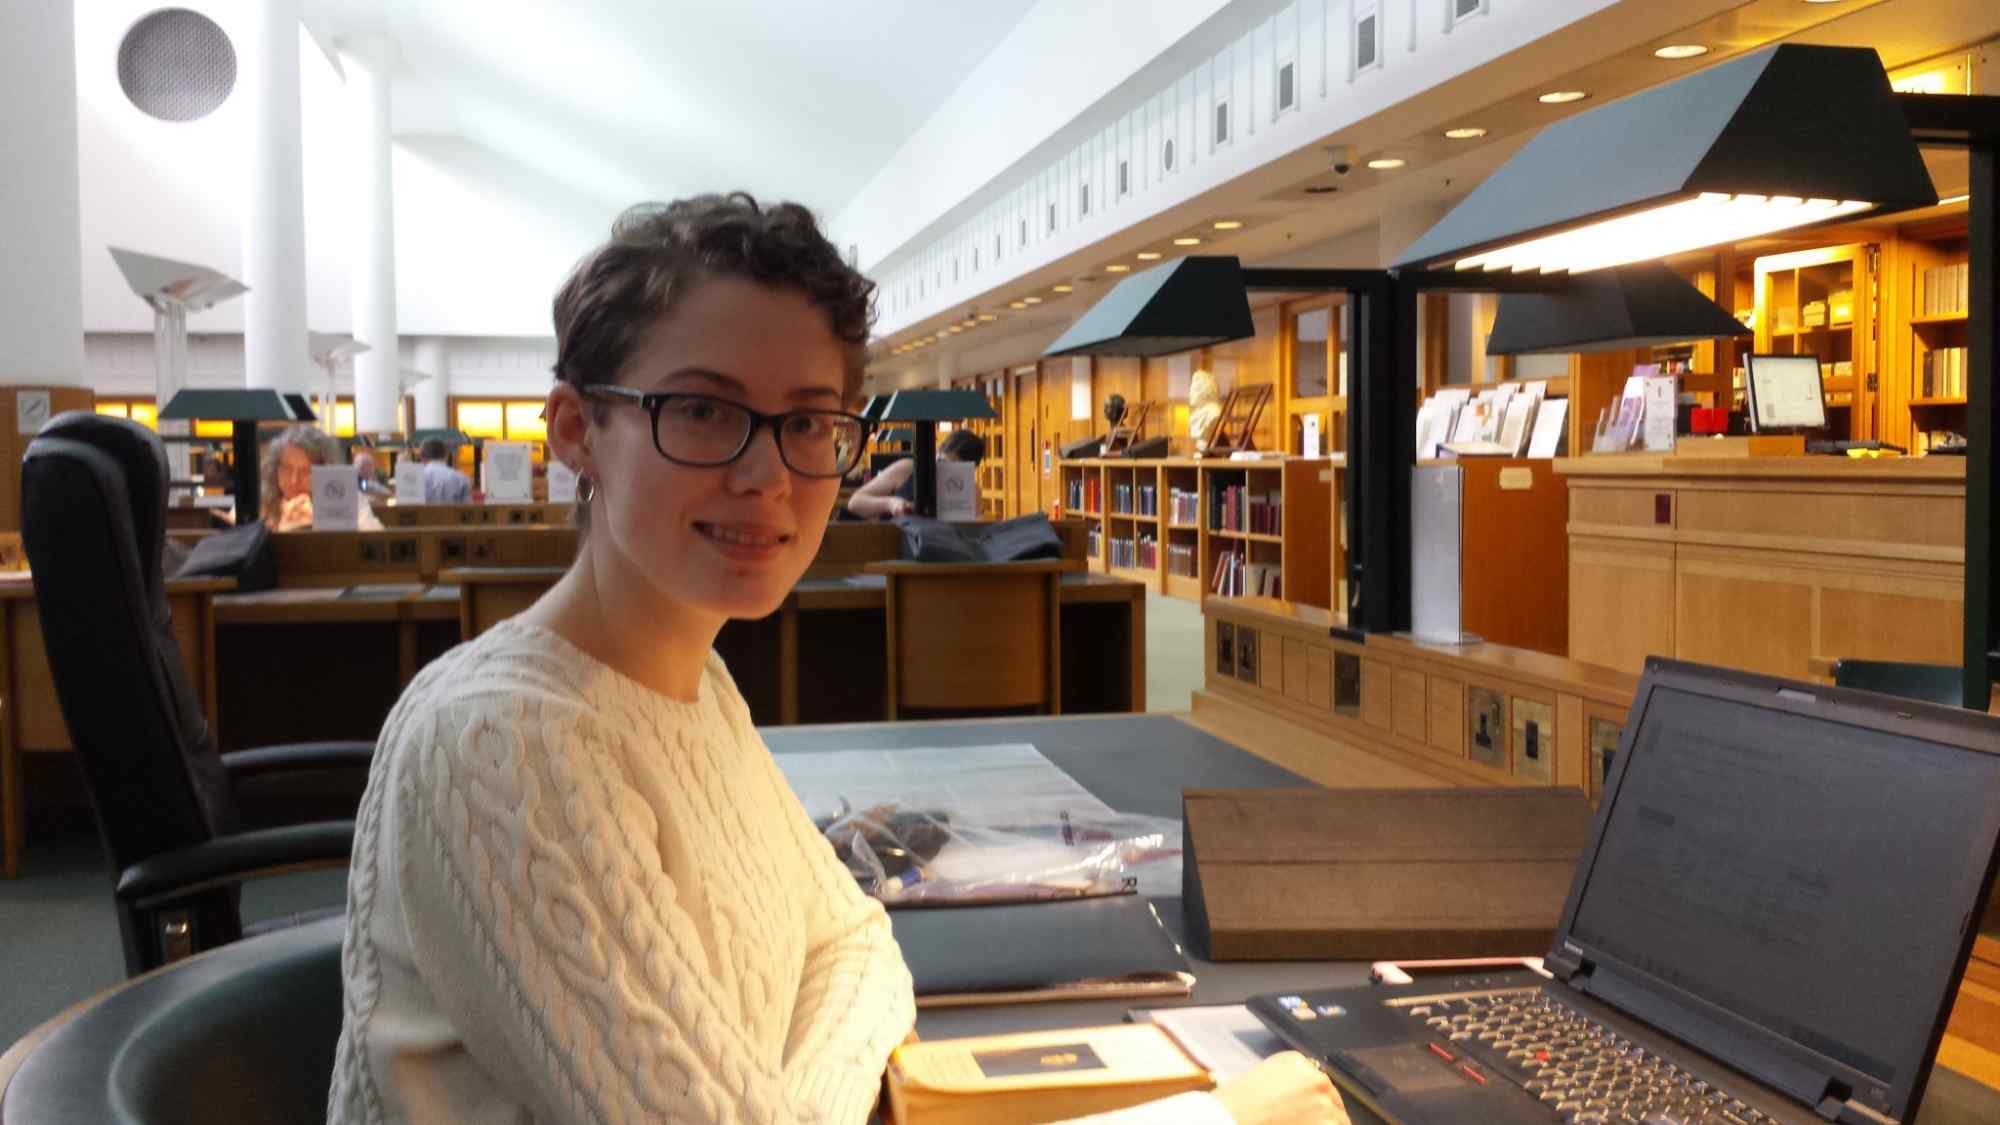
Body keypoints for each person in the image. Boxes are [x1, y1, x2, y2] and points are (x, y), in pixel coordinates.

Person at [327, 194, 1345, 1125]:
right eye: (703, 410)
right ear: (573, 429)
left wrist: (779, 1099)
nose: (767, 473)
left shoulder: (689, 680)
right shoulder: (503, 742)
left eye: (807, 421)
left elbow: (857, 944)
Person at [261, 424, 383, 531]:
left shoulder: (349, 499)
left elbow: (376, 543)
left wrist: (320, 525)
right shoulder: (264, 505)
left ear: (325, 471)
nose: (294, 480)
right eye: (287, 469)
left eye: (306, 471)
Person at [844, 427, 984, 520]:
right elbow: (855, 502)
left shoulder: (972, 490)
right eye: (942, 462)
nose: (944, 470)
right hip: (892, 545)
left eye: (955, 469)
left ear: (970, 470)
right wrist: (890, 503)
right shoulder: (907, 469)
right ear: (936, 453)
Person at [414, 437, 472, 503]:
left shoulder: (416, 477)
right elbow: (467, 507)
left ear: (422, 456)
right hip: (452, 513)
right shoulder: (461, 478)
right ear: (446, 455)